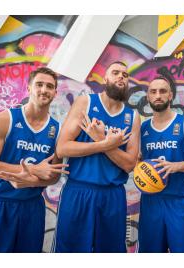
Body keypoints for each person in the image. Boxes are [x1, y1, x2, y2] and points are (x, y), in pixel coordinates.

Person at [0, 67, 68, 253]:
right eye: (39, 85)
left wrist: (31, 181)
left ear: (55, 93)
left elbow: (53, 175)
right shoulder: (5, 119)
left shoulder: (57, 130)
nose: (44, 90)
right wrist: (33, 170)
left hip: (32, 207)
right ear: (29, 88)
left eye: (49, 86)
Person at [52, 61, 140, 253]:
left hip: (112, 195)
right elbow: (62, 148)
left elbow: (129, 164)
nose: (121, 77)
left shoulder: (132, 117)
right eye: (115, 73)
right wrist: (104, 144)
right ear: (105, 78)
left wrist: (102, 141)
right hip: (78, 191)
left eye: (125, 75)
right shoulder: (86, 103)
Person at [137, 74, 184, 253]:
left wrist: (175, 166)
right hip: (150, 202)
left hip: (178, 202)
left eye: (163, 91)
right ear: (148, 97)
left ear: (170, 95)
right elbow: (136, 161)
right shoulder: (142, 129)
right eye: (153, 92)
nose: (158, 95)